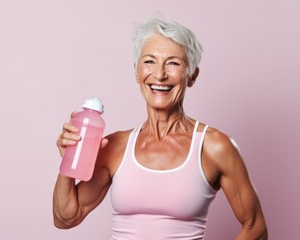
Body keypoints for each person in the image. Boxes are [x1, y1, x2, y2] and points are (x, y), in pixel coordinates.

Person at [53, 16, 268, 240]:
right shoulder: (115, 146)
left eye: (173, 63)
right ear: (137, 72)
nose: (160, 74)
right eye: (149, 61)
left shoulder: (214, 146)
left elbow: (256, 227)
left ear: (192, 76)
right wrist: (70, 158)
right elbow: (66, 217)